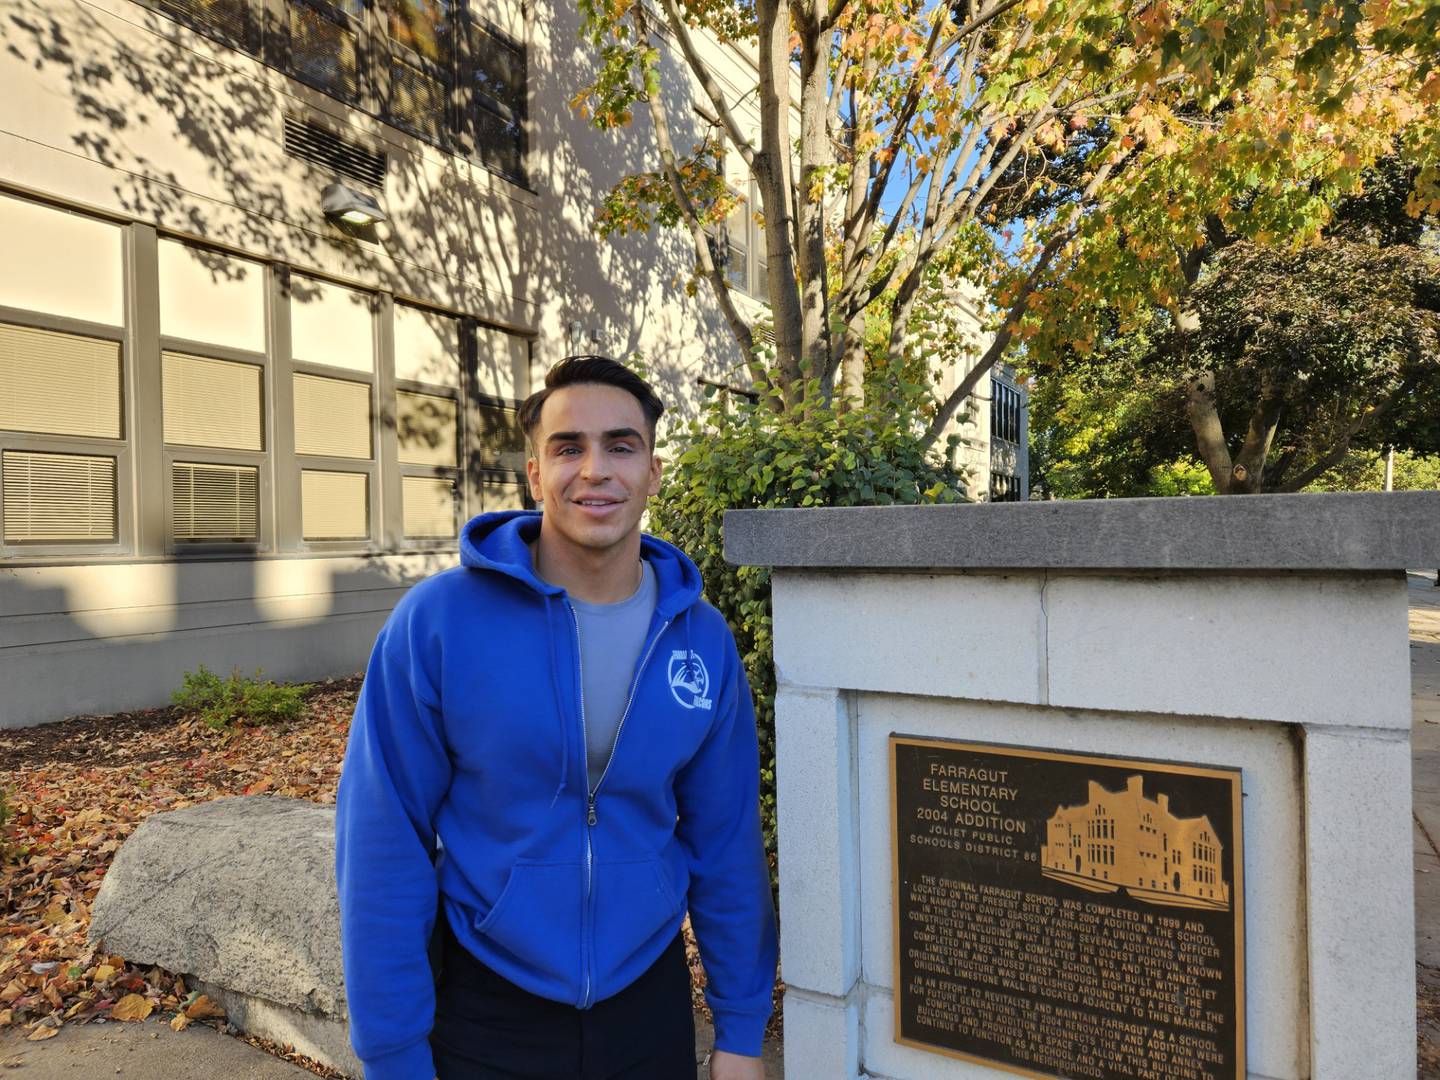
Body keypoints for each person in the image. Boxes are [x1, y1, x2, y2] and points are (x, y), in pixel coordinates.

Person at [335, 356, 777, 1080]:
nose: (595, 469)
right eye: (569, 447)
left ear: (652, 472)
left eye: (621, 445)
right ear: (536, 476)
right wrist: (393, 1055)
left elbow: (726, 841)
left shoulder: (699, 637)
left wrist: (740, 1033)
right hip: (486, 1000)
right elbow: (382, 842)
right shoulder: (439, 622)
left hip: (648, 1000)